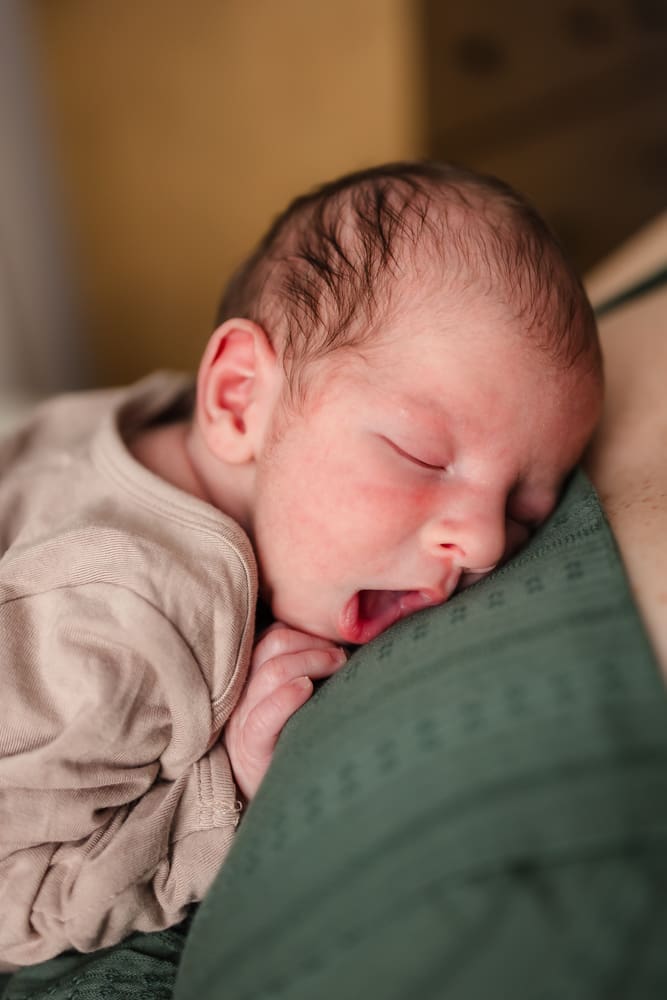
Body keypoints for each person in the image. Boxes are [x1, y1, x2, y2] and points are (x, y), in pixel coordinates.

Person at [0, 161, 603, 968]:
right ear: (238, 398)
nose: (488, 545)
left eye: (524, 508)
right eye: (422, 456)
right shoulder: (127, 630)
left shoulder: (150, 417)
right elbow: (20, 904)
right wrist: (225, 785)